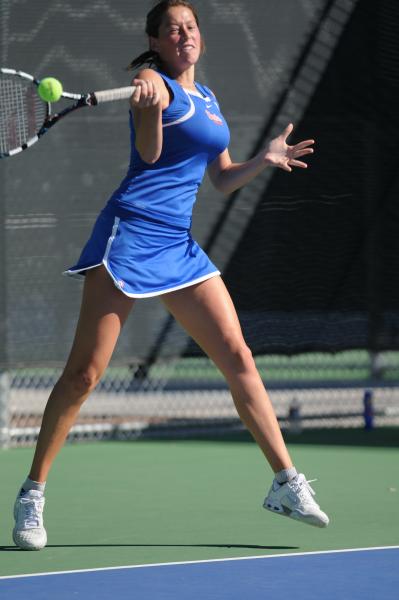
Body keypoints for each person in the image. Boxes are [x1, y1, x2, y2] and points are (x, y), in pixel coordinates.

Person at [13, 0, 329, 551]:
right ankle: (32, 493)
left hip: (178, 248)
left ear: (199, 37)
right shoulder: (150, 81)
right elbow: (151, 152)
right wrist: (150, 101)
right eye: (171, 29)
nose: (183, 34)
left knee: (239, 358)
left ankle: (285, 483)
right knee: (85, 374)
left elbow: (222, 178)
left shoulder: (207, 99)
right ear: (156, 42)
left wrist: (265, 158)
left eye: (190, 26)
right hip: (130, 236)